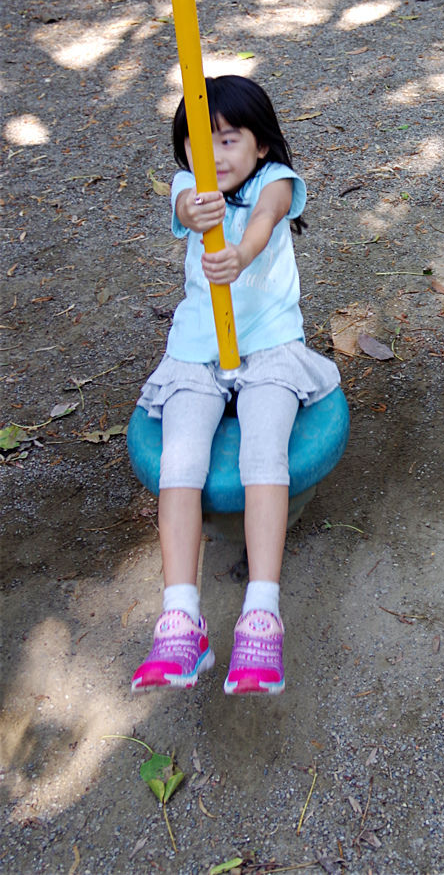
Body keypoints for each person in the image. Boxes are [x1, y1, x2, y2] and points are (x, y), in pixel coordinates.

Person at [130, 75, 340, 696]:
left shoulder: (277, 182)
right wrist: (193, 211)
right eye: (199, 141)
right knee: (182, 460)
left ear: (261, 145)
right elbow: (184, 209)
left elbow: (268, 218)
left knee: (262, 451)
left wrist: (241, 253)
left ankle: (262, 611)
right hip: (197, 350)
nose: (213, 155)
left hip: (270, 348)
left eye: (228, 139)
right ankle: (179, 619)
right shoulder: (189, 189)